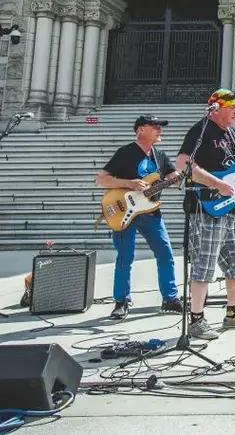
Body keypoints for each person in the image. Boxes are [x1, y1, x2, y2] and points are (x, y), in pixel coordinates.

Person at [175, 89, 235, 340]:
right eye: (232, 108)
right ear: (216, 109)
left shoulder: (233, 133)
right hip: (206, 207)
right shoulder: (201, 129)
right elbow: (183, 164)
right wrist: (215, 184)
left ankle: (233, 313)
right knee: (204, 264)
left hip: (231, 209)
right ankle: (197, 320)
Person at [95, 115, 183, 320]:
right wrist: (130, 183)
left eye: (160, 127)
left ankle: (170, 298)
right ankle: (121, 301)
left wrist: (182, 177)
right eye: (155, 127)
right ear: (141, 129)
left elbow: (173, 178)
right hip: (125, 211)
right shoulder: (125, 152)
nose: (160, 131)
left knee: (166, 255)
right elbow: (101, 180)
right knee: (125, 257)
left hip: (151, 212)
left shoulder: (160, 155)